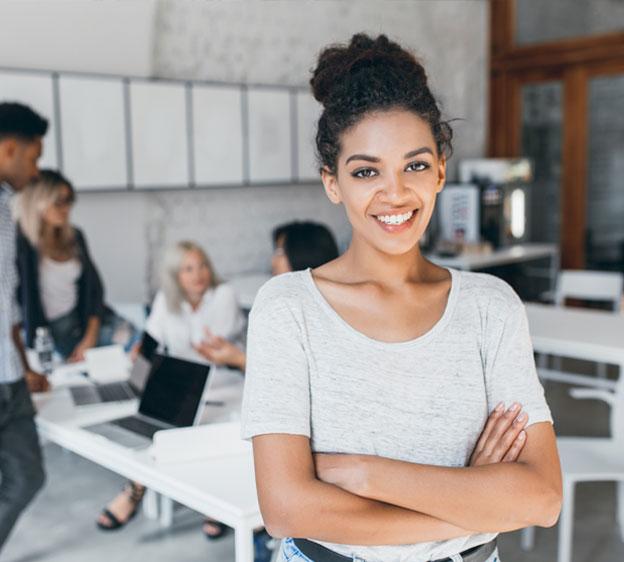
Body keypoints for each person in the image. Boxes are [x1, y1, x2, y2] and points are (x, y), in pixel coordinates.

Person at [241, 34, 562, 562]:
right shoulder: (289, 309)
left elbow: (543, 498)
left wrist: (365, 474)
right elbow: (286, 510)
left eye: (414, 165)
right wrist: (475, 497)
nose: (394, 193)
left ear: (440, 169)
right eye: (366, 171)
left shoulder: (491, 306)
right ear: (332, 183)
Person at [96, 240, 244, 538]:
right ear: (175, 275)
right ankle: (135, 488)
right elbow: (150, 342)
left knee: (200, 429)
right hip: (179, 386)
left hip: (222, 384)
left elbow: (209, 347)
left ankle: (212, 500)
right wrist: (137, 374)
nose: (198, 274)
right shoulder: (167, 300)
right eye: (188, 268)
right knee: (155, 425)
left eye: (202, 265)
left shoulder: (223, 295)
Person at [13, 169, 139, 361]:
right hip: (55, 332)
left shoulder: (75, 237)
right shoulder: (22, 245)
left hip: (87, 320)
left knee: (140, 342)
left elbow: (95, 289)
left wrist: (90, 336)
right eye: (59, 202)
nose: (66, 208)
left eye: (69, 200)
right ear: (38, 201)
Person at [0, 102, 49, 554]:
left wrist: (24, 361)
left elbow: (7, 303)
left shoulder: (5, 209)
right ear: (10, 148)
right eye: (33, 158)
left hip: (10, 379)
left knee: (28, 475)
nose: (35, 172)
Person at [195, 220, 339, 373]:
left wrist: (238, 359)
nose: (273, 261)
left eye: (279, 253)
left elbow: (289, 376)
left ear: (303, 254)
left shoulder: (318, 314)